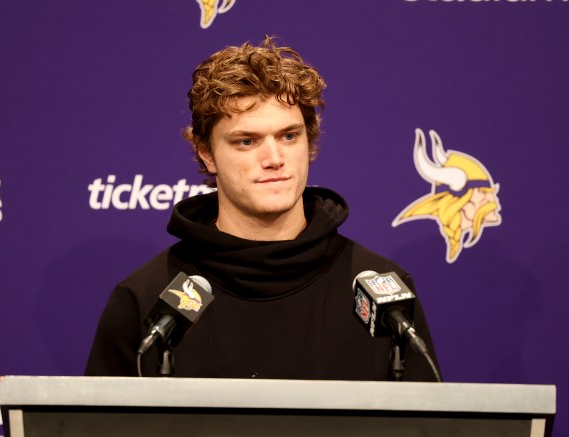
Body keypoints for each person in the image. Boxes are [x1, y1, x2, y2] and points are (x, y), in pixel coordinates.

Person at [85, 37, 441, 381]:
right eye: (247, 141)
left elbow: (427, 421)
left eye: (289, 136)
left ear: (309, 142)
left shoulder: (385, 297)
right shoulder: (147, 301)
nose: (274, 158)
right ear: (207, 153)